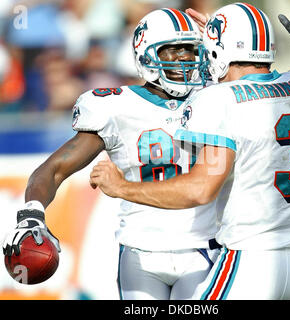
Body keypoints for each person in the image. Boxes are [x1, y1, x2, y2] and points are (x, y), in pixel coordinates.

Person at [89, 3, 290, 300]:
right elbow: (284, 94)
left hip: (251, 263)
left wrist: (121, 187)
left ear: (222, 54)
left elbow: (200, 189)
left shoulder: (220, 100)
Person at [2, 8, 222, 300]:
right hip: (141, 251)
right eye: (173, 49)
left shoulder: (218, 97)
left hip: (204, 246)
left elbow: (273, 91)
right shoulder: (116, 108)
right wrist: (31, 214)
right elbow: (54, 168)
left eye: (190, 49)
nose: (184, 57)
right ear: (146, 55)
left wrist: (226, 44)